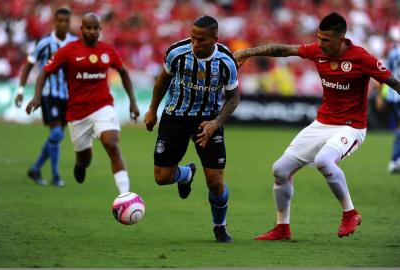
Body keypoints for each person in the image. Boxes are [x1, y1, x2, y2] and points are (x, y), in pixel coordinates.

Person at [234, 12, 400, 240]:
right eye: (319, 38)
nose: (320, 44)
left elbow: (392, 82)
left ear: (341, 39)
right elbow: (284, 50)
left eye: (325, 40)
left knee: (324, 160)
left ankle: (350, 213)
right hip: (321, 124)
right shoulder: (317, 51)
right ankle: (282, 228)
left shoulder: (362, 58)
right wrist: (248, 52)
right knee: (280, 170)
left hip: (351, 127)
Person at [144, 15, 240, 243]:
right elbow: (162, 81)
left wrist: (216, 123)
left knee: (215, 182)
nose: (196, 43)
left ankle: (220, 226)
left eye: (202, 40)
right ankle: (186, 174)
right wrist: (152, 110)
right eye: (193, 37)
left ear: (215, 39)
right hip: (175, 116)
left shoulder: (226, 61)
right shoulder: (177, 53)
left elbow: (234, 98)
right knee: (162, 177)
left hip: (207, 121)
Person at [26, 13, 139, 195]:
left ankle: (125, 195)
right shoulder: (69, 51)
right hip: (77, 114)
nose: (92, 31)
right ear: (82, 29)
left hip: (103, 106)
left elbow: (124, 73)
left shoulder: (107, 51)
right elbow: (44, 72)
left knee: (112, 144)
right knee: (84, 159)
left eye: (96, 28)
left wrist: (133, 102)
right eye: (88, 27)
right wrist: (37, 97)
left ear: (100, 30)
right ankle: (81, 164)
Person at [15, 7, 77, 187]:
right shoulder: (44, 43)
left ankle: (35, 169)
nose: (63, 24)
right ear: (54, 22)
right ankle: (56, 176)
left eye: (66, 21)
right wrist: (20, 90)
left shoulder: (74, 42)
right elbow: (28, 66)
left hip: (68, 95)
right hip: (49, 92)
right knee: (56, 133)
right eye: (60, 21)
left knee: (57, 136)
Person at [376, 44, 400, 174]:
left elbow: (383, 73)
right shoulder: (395, 53)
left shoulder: (394, 53)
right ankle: (395, 160)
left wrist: (380, 95)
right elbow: (384, 74)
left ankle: (395, 160)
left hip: (395, 95)